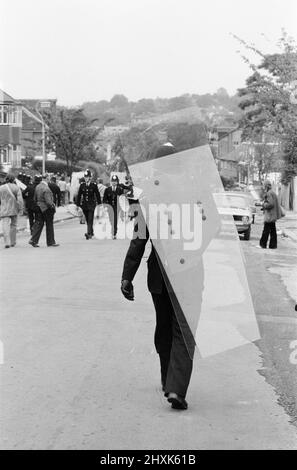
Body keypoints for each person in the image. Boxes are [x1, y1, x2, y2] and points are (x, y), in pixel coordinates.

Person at [120, 143, 203, 410]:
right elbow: (211, 227)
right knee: (183, 330)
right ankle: (175, 388)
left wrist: (127, 276)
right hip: (188, 271)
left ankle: (169, 380)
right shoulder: (195, 190)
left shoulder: (150, 196)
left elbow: (138, 240)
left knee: (165, 327)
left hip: (159, 274)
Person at [29, 174, 59, 247]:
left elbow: (35, 198)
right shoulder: (46, 189)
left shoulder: (38, 187)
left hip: (39, 207)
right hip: (46, 209)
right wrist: (53, 205)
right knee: (49, 225)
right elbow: (48, 202)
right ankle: (51, 242)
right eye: (48, 179)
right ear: (47, 179)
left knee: (39, 224)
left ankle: (33, 240)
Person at [0, 174, 24, 248]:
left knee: (5, 225)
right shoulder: (16, 187)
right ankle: (12, 242)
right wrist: (21, 209)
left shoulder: (1, 188)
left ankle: (6, 242)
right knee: (13, 225)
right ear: (13, 180)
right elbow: (20, 200)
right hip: (14, 209)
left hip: (4, 209)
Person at [76, 169, 101, 239]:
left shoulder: (94, 185)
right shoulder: (82, 185)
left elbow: (97, 195)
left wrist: (100, 205)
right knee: (87, 219)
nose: (86, 178)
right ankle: (91, 231)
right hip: (84, 205)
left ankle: (89, 233)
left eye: (87, 177)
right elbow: (79, 195)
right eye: (85, 177)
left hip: (91, 205)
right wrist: (77, 205)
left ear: (90, 177)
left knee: (90, 219)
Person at [259, 180, 283, 249]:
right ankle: (273, 246)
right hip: (273, 215)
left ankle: (262, 245)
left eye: (264, 185)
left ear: (266, 186)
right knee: (273, 231)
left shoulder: (269, 193)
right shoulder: (273, 193)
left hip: (269, 215)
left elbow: (271, 204)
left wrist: (263, 204)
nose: (263, 187)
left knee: (266, 230)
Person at [103, 175, 125, 239]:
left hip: (117, 207)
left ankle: (114, 233)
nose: (114, 182)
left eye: (115, 181)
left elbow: (122, 199)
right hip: (109, 207)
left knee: (115, 220)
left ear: (117, 182)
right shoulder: (107, 189)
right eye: (113, 181)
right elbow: (104, 199)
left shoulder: (120, 190)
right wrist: (105, 206)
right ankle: (114, 228)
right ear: (111, 182)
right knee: (111, 220)